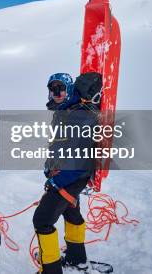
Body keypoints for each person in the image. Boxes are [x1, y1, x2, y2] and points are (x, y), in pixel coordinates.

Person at [32, 72, 102, 274]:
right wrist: (49, 165)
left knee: (42, 220)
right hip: (69, 174)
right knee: (70, 211)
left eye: (60, 87)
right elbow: (61, 145)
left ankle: (51, 270)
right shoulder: (66, 110)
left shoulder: (79, 115)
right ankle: (76, 259)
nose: (56, 92)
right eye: (52, 88)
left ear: (70, 88)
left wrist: (57, 182)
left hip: (73, 176)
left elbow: (81, 158)